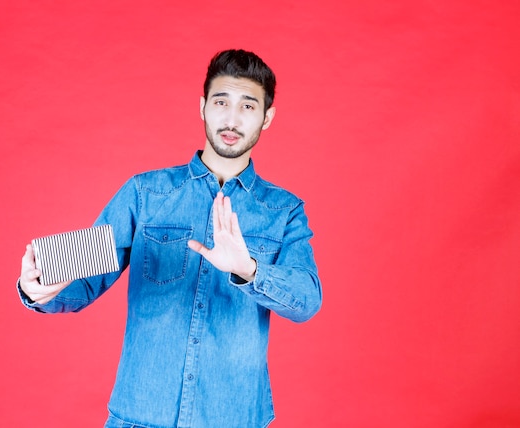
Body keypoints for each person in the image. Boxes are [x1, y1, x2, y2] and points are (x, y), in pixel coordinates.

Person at [18, 49, 322, 428]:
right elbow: (79, 280)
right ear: (202, 107)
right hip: (141, 416)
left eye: (247, 106)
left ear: (267, 117)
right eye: (221, 102)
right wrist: (37, 287)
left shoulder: (284, 210)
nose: (231, 118)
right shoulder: (146, 193)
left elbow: (307, 300)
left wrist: (249, 269)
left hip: (235, 419)